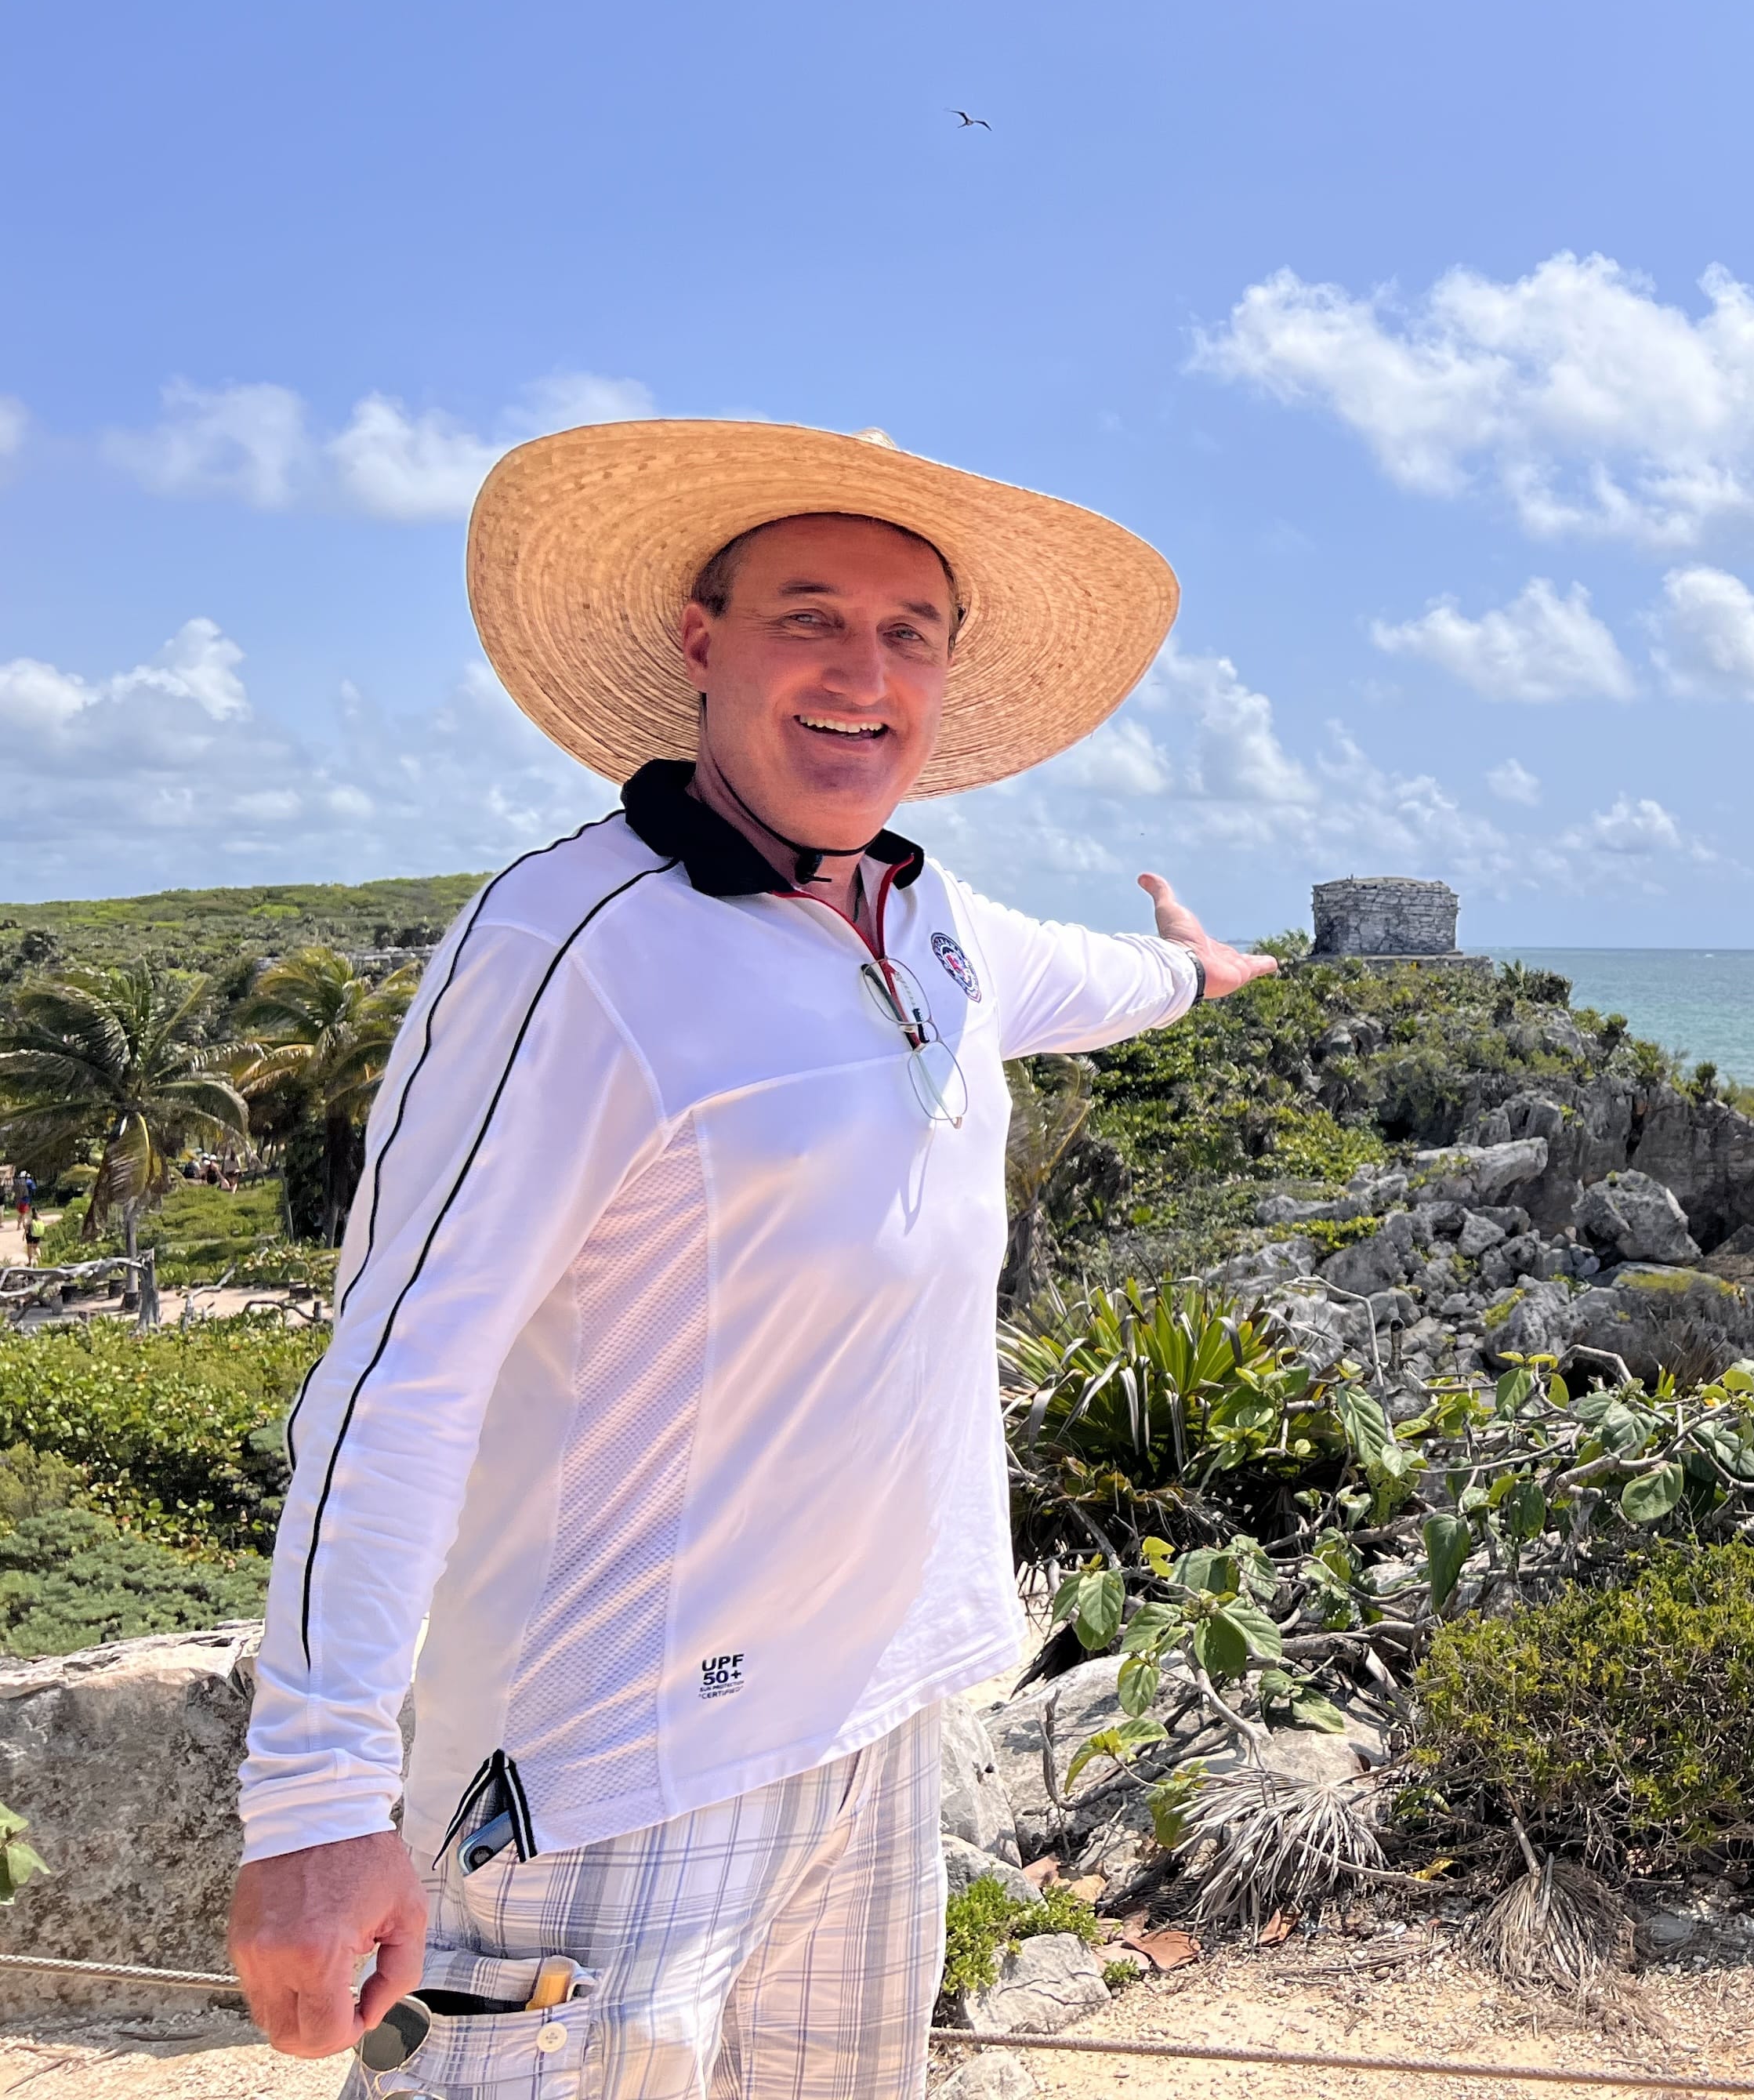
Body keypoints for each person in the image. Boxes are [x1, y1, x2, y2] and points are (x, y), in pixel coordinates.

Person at [226, 420, 1276, 2096]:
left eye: (907, 630)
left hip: (876, 1726)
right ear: (701, 642)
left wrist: (1194, 970)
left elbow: (1091, 982)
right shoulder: (572, 946)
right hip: (606, 1770)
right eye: (810, 617)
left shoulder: (933, 920)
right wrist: (316, 1801)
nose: (863, 670)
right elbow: (399, 1378)